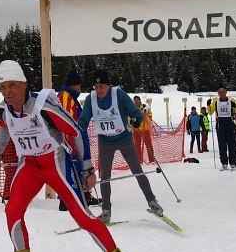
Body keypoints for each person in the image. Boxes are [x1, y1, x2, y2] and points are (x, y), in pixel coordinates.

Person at [0, 60, 137, 252]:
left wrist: (87, 168)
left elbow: (75, 131)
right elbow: (3, 130)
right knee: (13, 210)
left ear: (24, 84)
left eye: (12, 85)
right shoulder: (5, 110)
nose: (7, 92)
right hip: (29, 165)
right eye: (3, 87)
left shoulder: (43, 106)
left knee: (82, 216)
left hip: (56, 164)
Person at [78, 69, 164, 223]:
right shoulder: (91, 99)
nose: (99, 90)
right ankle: (106, 211)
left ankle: (152, 202)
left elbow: (135, 112)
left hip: (124, 139)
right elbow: (84, 119)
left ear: (108, 85)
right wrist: (77, 128)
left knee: (137, 171)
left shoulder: (118, 94)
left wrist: (136, 119)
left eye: (102, 86)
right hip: (105, 142)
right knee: (105, 177)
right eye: (96, 87)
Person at [56, 68, 99, 210]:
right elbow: (67, 122)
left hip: (74, 141)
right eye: (79, 85)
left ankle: (84, 196)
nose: (80, 88)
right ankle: (66, 201)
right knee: (70, 172)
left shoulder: (70, 97)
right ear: (74, 84)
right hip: (69, 143)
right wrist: (71, 145)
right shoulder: (66, 97)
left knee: (79, 170)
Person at [208, 85, 236, 170]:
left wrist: (235, 106)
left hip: (229, 123)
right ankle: (224, 162)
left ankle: (233, 162)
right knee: (222, 145)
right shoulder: (215, 101)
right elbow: (210, 112)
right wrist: (208, 105)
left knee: (232, 145)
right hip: (220, 123)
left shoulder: (231, 100)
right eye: (220, 92)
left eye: (223, 91)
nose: (222, 93)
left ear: (226, 92)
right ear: (218, 93)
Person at [132, 95, 157, 163]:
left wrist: (145, 115)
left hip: (145, 129)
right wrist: (133, 126)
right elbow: (130, 118)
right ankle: (139, 160)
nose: (136, 102)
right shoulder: (132, 108)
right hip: (136, 130)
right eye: (134, 101)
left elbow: (150, 116)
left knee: (148, 145)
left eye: (137, 100)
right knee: (137, 146)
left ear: (140, 100)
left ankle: (151, 160)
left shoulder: (145, 107)